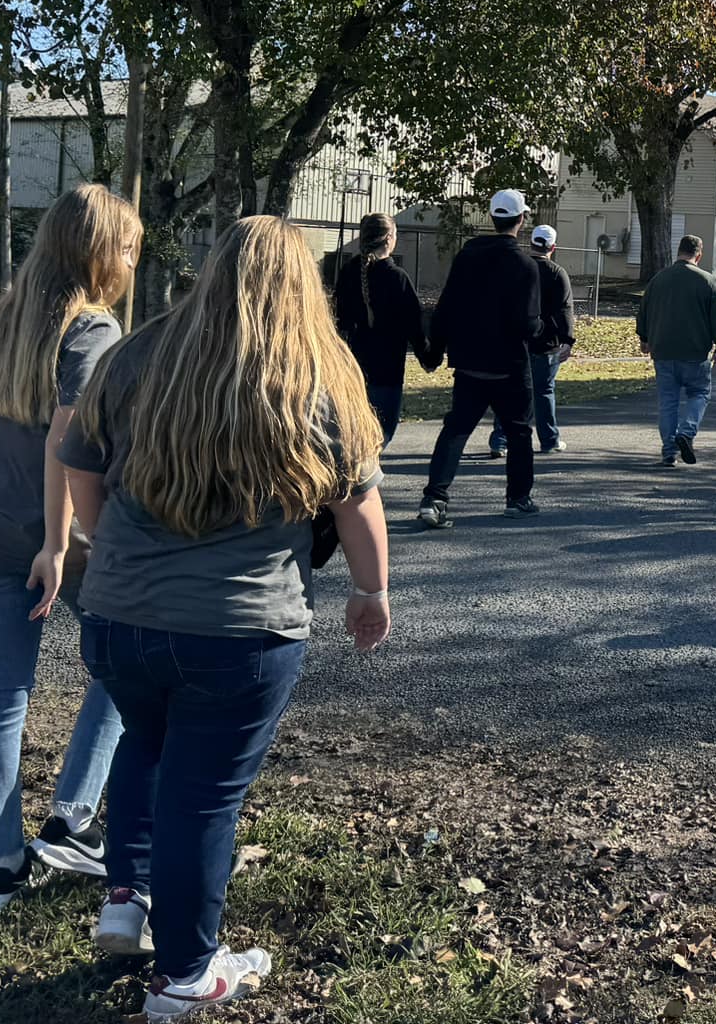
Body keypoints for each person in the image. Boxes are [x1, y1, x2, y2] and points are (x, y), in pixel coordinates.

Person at [60, 215, 391, 1018]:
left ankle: (126, 895)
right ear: (302, 284)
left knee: (147, 745)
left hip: (119, 617)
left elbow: (80, 469)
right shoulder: (317, 373)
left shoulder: (134, 357)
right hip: (242, 630)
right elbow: (358, 505)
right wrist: (370, 591)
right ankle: (186, 970)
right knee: (203, 797)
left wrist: (109, 551)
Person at [0, 184, 141, 914]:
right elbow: (71, 440)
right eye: (127, 247)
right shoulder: (90, 329)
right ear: (98, 252)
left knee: (4, 694)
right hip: (54, 539)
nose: (131, 260)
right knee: (124, 667)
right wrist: (58, 542)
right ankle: (72, 816)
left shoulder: (0, 321)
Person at [415, 191, 543, 526]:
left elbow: (446, 307)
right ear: (522, 219)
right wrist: (546, 332)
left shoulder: (467, 255)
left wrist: (435, 350)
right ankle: (518, 498)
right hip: (509, 365)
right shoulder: (526, 266)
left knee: (456, 430)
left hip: (469, 360)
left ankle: (435, 498)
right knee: (517, 433)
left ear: (492, 218)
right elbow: (528, 324)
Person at [333, 212, 426, 448]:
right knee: (381, 434)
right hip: (387, 369)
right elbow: (414, 325)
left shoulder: (347, 273)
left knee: (352, 435)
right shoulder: (397, 278)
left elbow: (338, 319)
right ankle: (361, 480)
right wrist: (428, 357)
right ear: (388, 238)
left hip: (351, 367)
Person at [636, 233, 716, 467]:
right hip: (695, 352)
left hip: (663, 350)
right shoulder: (707, 281)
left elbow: (643, 310)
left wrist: (644, 338)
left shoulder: (658, 279)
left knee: (668, 402)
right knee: (699, 394)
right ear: (699, 254)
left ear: (679, 251)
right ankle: (686, 432)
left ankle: (669, 452)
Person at [488, 224, 575, 457]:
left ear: (532, 243)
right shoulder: (557, 273)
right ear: (552, 247)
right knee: (544, 392)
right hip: (546, 343)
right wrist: (567, 339)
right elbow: (564, 309)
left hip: (514, 340)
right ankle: (549, 439)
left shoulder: (517, 268)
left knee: (509, 391)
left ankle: (500, 440)